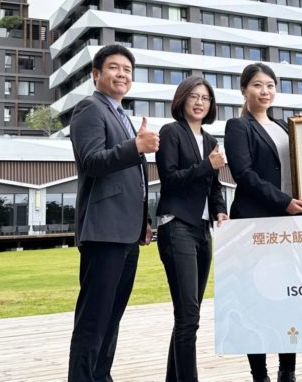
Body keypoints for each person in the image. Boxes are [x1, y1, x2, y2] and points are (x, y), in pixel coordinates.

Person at [67, 44, 158, 382]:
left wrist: (143, 222)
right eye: (114, 68)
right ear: (96, 74)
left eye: (127, 70)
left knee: (112, 318)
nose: (122, 74)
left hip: (127, 233)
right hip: (103, 232)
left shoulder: (122, 115)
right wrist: (135, 146)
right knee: (93, 320)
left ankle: (101, 377)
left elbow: (128, 178)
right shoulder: (88, 109)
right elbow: (92, 161)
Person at [224, 62, 302, 382]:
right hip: (255, 224)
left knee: (289, 295)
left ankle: (288, 370)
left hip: (289, 223)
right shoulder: (238, 126)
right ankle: (259, 374)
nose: (265, 91)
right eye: (258, 85)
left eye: (270, 85)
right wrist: (282, 201)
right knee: (254, 298)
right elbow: (244, 176)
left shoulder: (286, 128)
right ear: (244, 90)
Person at [156, 76, 229, 382]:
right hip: (177, 227)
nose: (200, 102)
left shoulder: (211, 141)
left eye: (206, 98)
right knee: (188, 318)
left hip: (202, 231)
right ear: (182, 100)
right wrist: (206, 166)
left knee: (189, 316)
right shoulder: (171, 132)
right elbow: (170, 179)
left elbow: (213, 188)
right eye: (194, 96)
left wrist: (221, 211)